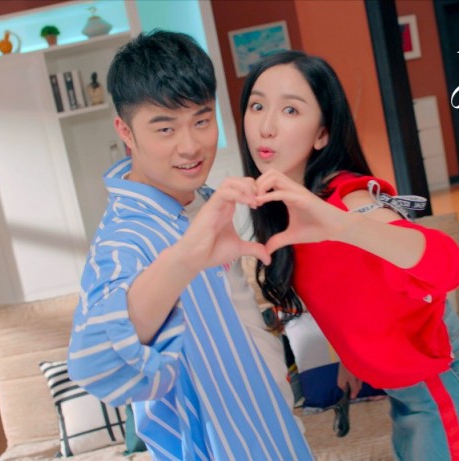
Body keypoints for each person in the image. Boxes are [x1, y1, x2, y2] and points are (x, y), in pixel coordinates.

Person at [238, 50, 459, 461]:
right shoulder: (284, 209)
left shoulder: (350, 198)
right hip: (410, 392)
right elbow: (350, 298)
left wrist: (345, 225)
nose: (266, 127)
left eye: (290, 110)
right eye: (257, 106)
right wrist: (352, 358)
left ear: (322, 135)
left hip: (447, 385)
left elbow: (448, 265)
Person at [66, 31, 312, 460]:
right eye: (165, 128)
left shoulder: (203, 200)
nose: (191, 146)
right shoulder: (124, 239)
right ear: (125, 131)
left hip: (272, 425)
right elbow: (94, 362)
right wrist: (186, 257)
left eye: (201, 121)